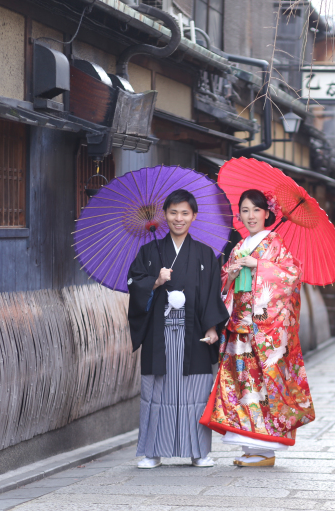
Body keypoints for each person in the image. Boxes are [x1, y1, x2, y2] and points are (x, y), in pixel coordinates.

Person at [200, 189, 315, 467]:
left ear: (267, 214)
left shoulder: (275, 243)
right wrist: (232, 273)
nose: (250, 216)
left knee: (262, 387)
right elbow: (224, 281)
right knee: (243, 386)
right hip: (238, 327)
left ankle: (266, 449)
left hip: (263, 333)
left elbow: (290, 276)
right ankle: (253, 447)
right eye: (245, 210)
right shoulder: (239, 246)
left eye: (256, 210)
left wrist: (259, 265)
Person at [126, 189, 229, 469]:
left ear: (194, 216)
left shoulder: (205, 254)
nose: (179, 218)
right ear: (165, 215)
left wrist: (212, 328)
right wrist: (156, 281)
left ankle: (199, 452)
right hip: (159, 335)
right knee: (155, 395)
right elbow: (134, 285)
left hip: (193, 335)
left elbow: (211, 293)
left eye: (185, 213)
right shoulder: (149, 252)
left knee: (195, 394)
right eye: (173, 212)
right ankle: (152, 452)